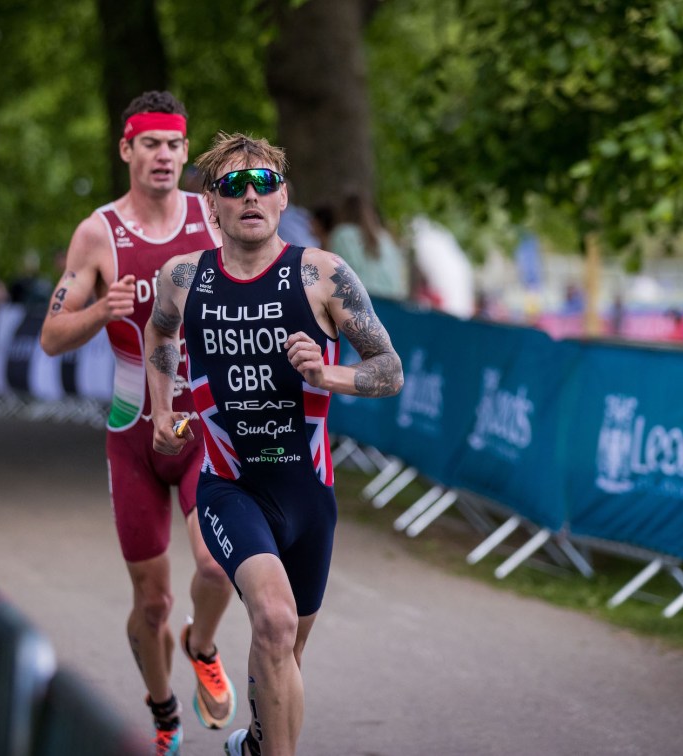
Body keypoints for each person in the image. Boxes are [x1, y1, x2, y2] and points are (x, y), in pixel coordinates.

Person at [144, 132, 404, 756]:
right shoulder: (184, 277)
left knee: (284, 651)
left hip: (308, 495)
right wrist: (160, 411)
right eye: (233, 185)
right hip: (232, 488)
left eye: (263, 182)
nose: (251, 195)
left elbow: (390, 369)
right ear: (212, 204)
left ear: (283, 196)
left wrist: (328, 374)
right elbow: (160, 334)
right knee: (276, 620)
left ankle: (255, 744)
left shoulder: (321, 275)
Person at [39, 91, 236, 755]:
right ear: (126, 150)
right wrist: (100, 311)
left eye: (175, 145)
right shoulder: (98, 232)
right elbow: (50, 336)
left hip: (201, 425)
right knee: (151, 601)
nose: (164, 156)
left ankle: (201, 643)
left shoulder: (212, 220)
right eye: (150, 144)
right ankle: (163, 713)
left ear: (186, 152)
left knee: (216, 564)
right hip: (132, 432)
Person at [328, 190, 408, 300]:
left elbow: (334, 273)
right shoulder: (386, 238)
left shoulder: (342, 234)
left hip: (361, 301)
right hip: (391, 301)